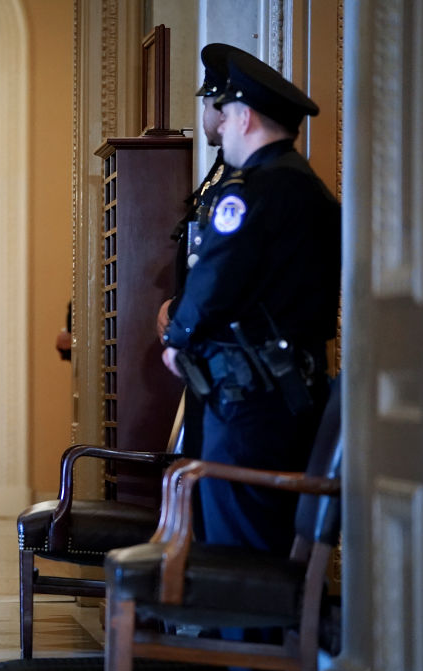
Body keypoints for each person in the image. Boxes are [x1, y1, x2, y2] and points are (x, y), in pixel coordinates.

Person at [160, 51, 340, 671]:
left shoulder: (255, 191)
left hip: (249, 403)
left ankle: (246, 670)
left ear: (242, 115)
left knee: (242, 551)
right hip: (274, 396)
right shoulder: (306, 188)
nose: (218, 119)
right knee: (250, 544)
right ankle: (239, 660)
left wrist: (177, 336)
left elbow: (217, 277)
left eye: (221, 108)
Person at [157, 43, 248, 461]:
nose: (207, 115)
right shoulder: (222, 176)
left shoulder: (249, 187)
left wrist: (180, 324)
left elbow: (223, 275)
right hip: (210, 365)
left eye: (212, 104)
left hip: (236, 377)